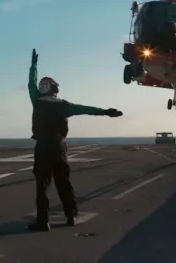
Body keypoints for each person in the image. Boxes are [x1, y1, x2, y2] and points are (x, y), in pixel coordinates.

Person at [27, 48, 123, 231]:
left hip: (42, 147)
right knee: (63, 181)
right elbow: (86, 109)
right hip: (58, 147)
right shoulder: (64, 106)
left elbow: (30, 83)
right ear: (55, 89)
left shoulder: (37, 101)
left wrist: (33, 65)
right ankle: (71, 215)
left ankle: (42, 221)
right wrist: (106, 112)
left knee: (42, 185)